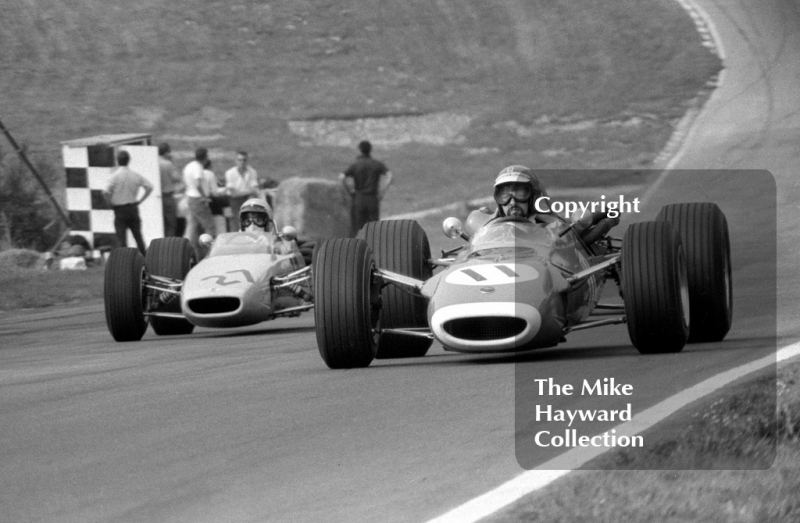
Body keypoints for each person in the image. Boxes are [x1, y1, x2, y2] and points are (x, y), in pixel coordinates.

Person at [488, 165, 619, 244]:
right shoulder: (487, 231)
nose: (512, 202)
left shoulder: (555, 227)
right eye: (504, 195)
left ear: (534, 197)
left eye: (520, 194)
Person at [103, 150, 153, 254]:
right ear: (128, 161)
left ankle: (125, 260)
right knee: (138, 236)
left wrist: (110, 204)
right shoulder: (135, 175)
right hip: (133, 207)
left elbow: (105, 192)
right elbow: (149, 187)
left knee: (122, 239)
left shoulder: (114, 176)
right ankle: (144, 257)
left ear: (118, 161)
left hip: (119, 209)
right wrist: (141, 200)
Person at [340, 140, 393, 235]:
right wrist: (382, 192)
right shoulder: (376, 164)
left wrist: (351, 190)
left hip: (359, 199)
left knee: (358, 228)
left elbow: (342, 177)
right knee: (374, 229)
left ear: (360, 150)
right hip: (373, 199)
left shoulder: (356, 165)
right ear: (370, 150)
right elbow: (389, 175)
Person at [183, 147, 217, 252]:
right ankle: (210, 250)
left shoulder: (189, 166)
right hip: (198, 199)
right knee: (210, 227)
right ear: (205, 157)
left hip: (190, 198)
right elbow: (198, 184)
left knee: (194, 228)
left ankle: (193, 251)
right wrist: (204, 197)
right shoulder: (198, 168)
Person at [225, 150, 259, 231]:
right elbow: (233, 193)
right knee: (237, 223)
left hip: (248, 199)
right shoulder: (230, 173)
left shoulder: (252, 172)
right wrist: (249, 191)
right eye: (240, 160)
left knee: (250, 223)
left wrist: (251, 192)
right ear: (236, 161)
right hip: (235, 201)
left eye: (244, 160)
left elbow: (255, 188)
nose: (242, 162)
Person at [157, 142, 183, 237]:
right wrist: (172, 161)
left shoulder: (153, 163)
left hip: (155, 198)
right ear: (166, 153)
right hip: (167, 196)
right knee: (170, 224)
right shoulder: (167, 164)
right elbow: (177, 178)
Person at [204, 159, 229, 234]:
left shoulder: (197, 172)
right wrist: (225, 189)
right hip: (212, 203)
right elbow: (215, 192)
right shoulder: (210, 174)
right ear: (209, 166)